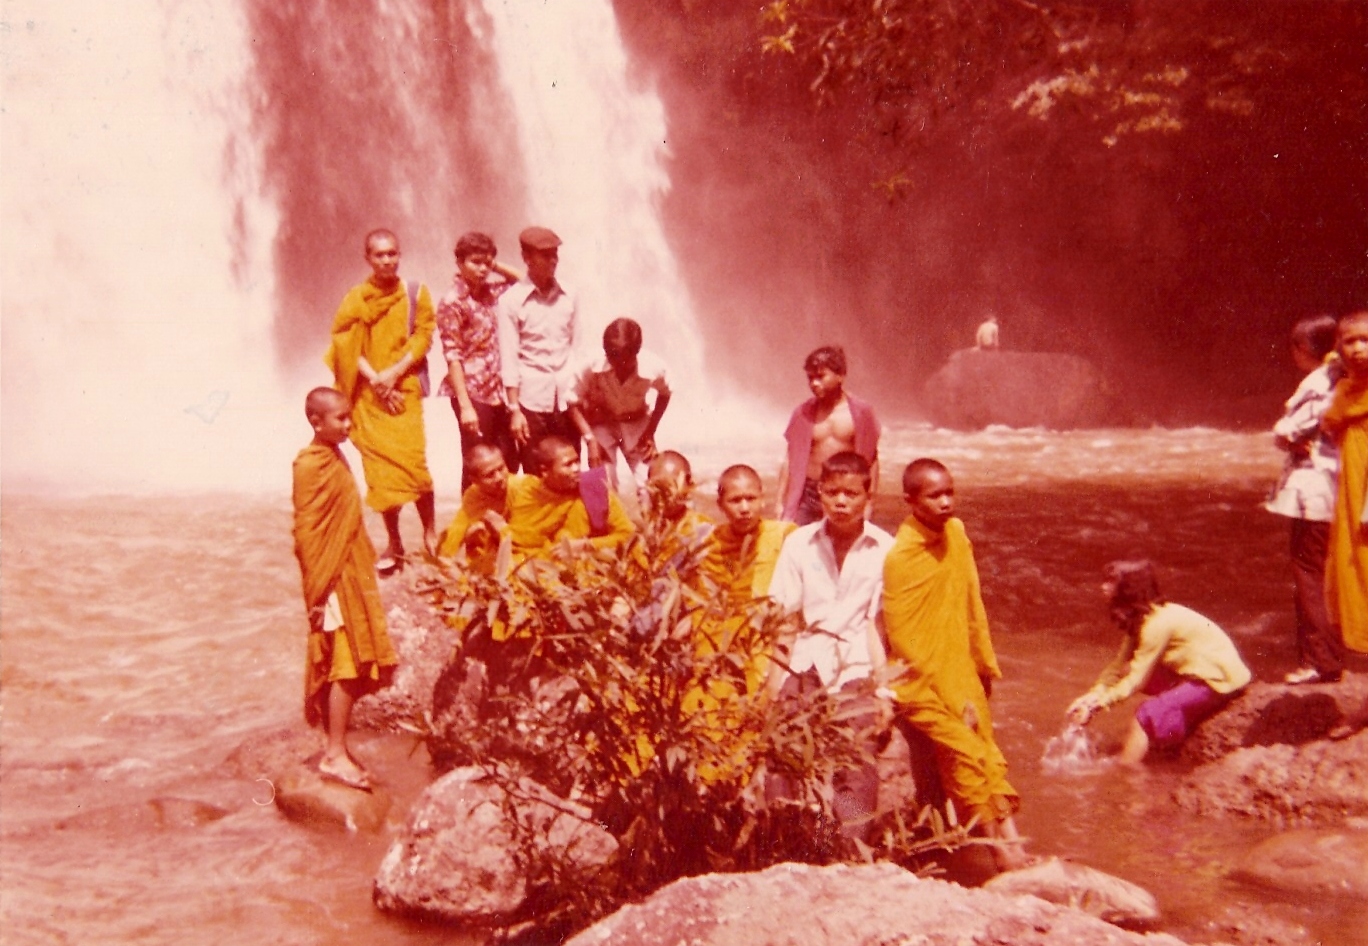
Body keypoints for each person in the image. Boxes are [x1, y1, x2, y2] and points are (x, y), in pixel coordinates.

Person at [882, 458, 1026, 870]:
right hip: (921, 682)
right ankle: (999, 856)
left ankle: (1014, 849)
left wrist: (982, 666)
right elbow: (906, 641)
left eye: (950, 492)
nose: (946, 502)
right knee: (966, 754)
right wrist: (950, 695)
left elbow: (971, 604)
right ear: (910, 501)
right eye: (935, 495)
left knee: (986, 752)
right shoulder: (901, 558)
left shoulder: (957, 533)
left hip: (959, 668)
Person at [768, 451, 895, 840]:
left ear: (867, 497)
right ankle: (784, 843)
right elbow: (785, 620)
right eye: (833, 492)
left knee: (856, 756)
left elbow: (880, 627)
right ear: (819, 493)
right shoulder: (799, 544)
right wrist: (772, 688)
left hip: (857, 664)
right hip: (806, 660)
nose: (841, 502)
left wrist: (885, 692)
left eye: (851, 494)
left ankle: (850, 848)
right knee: (781, 751)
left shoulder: (886, 549)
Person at [292, 387, 398, 792]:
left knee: (351, 659)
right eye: (341, 419)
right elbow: (307, 530)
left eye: (350, 416)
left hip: (348, 569)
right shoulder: (308, 463)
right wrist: (316, 594)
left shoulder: (334, 454)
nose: (349, 424)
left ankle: (337, 747)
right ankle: (334, 754)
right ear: (316, 422)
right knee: (346, 663)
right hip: (330, 577)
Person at [324, 228, 437, 569]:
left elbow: (424, 336)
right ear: (368, 258)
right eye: (379, 255)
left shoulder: (415, 293)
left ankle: (430, 534)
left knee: (414, 466)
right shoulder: (356, 298)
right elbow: (344, 346)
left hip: (404, 389)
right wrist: (376, 380)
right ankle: (395, 542)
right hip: (370, 396)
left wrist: (393, 373)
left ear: (399, 255)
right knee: (380, 472)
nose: (387, 260)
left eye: (392, 253)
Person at [1067, 560, 1252, 765]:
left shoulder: (1156, 625)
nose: (1102, 587)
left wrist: (1097, 706)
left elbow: (1136, 681)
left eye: (1110, 583)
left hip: (1218, 680)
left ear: (1128, 591)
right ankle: (1168, 728)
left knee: (1144, 715)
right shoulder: (1141, 617)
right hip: (1193, 674)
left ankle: (1125, 772)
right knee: (1126, 670)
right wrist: (1090, 698)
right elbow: (1119, 667)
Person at [1266, 314, 1345, 683]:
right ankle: (1326, 655)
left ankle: (1320, 661)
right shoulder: (1343, 377)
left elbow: (1287, 430)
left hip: (1315, 489)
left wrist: (1283, 435)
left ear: (1302, 350)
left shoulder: (1319, 381)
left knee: (1308, 573)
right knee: (1320, 571)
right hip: (1335, 486)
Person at [435, 231, 522, 489]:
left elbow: (524, 281)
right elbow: (452, 355)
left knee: (508, 457)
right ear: (459, 263)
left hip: (499, 390)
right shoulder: (452, 302)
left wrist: (493, 264)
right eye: (475, 262)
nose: (482, 269)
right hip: (472, 393)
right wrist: (465, 406)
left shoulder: (493, 291)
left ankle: (500, 518)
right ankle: (471, 523)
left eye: (487, 263)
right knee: (477, 462)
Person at [498, 226, 578, 472]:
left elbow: (577, 346)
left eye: (555, 254)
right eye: (545, 255)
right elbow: (509, 358)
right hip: (531, 402)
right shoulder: (510, 301)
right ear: (527, 258)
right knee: (536, 470)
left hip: (567, 399)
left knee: (573, 467)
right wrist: (514, 410)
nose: (553, 260)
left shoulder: (570, 295)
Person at [568, 318, 671, 503]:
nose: (618, 364)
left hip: (636, 423)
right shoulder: (590, 364)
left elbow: (665, 394)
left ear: (636, 353)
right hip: (602, 425)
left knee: (650, 483)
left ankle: (653, 529)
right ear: (606, 352)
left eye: (625, 360)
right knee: (602, 481)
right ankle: (606, 528)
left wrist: (650, 431)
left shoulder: (653, 367)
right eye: (612, 357)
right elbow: (571, 402)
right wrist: (590, 440)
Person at [775, 346, 881, 525]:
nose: (814, 383)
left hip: (844, 494)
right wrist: (779, 502)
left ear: (840, 375)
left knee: (843, 548)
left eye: (821, 376)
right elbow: (789, 459)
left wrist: (869, 501)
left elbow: (872, 460)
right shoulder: (802, 413)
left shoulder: (862, 413)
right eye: (810, 378)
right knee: (797, 543)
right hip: (807, 493)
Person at [1321, 309, 1368, 657]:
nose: (1358, 348)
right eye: (1350, 341)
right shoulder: (1346, 388)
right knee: (1351, 562)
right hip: (1349, 490)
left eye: (1366, 340)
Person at [506, 435, 634, 558]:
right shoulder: (530, 493)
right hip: (543, 565)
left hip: (589, 565)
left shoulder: (594, 487)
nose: (576, 468)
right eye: (568, 465)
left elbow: (627, 535)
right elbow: (518, 542)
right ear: (544, 471)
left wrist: (585, 546)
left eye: (577, 461)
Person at [700, 465, 795, 606]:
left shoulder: (784, 536)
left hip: (771, 621)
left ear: (762, 499)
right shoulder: (712, 544)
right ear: (720, 505)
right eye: (735, 500)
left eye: (751, 499)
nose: (744, 508)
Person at [436, 442, 522, 571]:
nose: (499, 477)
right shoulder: (473, 495)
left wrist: (502, 529)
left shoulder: (521, 487)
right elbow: (456, 531)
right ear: (474, 480)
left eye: (501, 468)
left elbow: (532, 537)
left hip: (522, 553)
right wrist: (444, 563)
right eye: (490, 475)